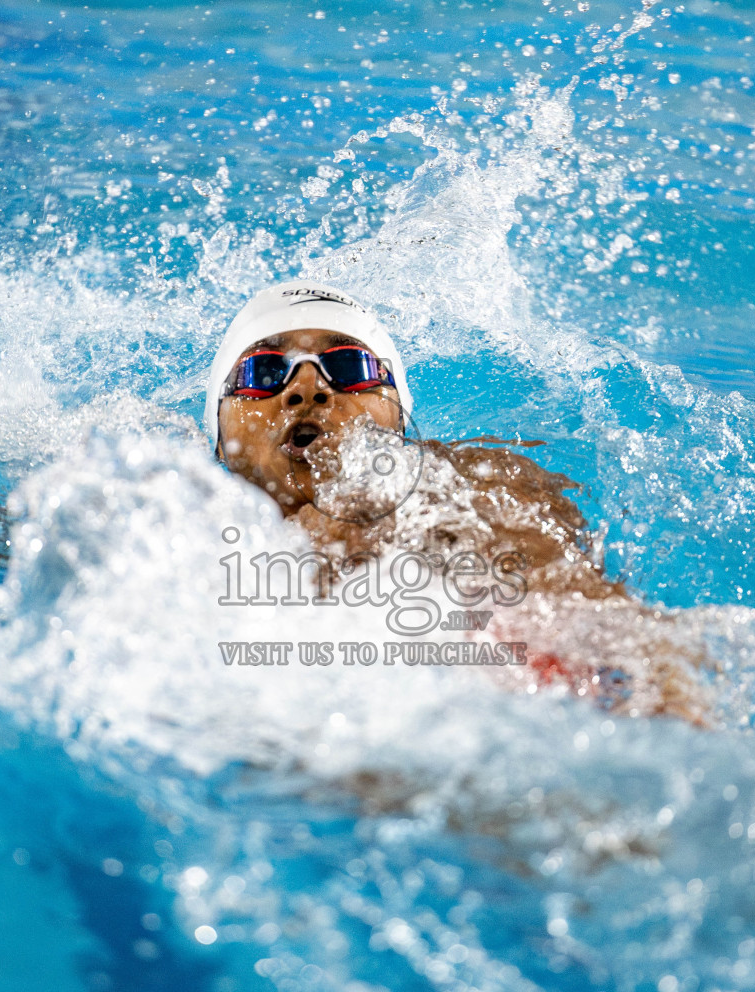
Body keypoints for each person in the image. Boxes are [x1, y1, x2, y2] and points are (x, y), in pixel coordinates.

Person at [205, 280, 707, 722]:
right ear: (217, 424)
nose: (307, 389)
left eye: (349, 367)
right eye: (263, 372)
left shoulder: (470, 481)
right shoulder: (175, 509)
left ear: (398, 419)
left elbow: (598, 616)